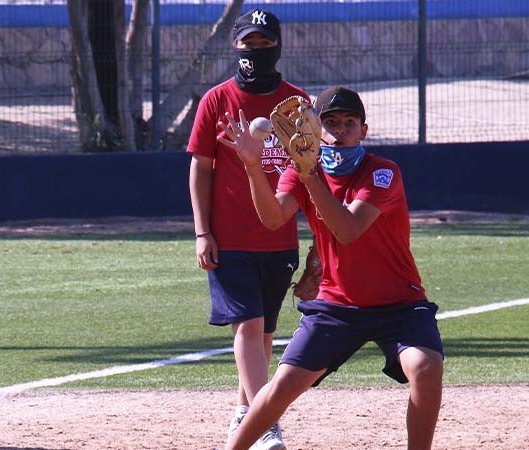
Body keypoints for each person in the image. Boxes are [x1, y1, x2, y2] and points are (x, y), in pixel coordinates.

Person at [217, 86, 445, 450]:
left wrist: (311, 175)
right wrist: (252, 167)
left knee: (426, 367)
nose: (340, 130)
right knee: (282, 385)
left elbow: (348, 229)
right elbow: (273, 218)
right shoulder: (302, 171)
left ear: (363, 130)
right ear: (315, 129)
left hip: (399, 305)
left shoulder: (382, 173)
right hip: (337, 306)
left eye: (349, 122)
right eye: (331, 122)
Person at [187, 8, 310, 450]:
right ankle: (265, 422)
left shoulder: (297, 104)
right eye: (248, 43)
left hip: (280, 237)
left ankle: (244, 416)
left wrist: (319, 243)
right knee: (249, 326)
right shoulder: (217, 100)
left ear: (277, 46)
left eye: (263, 43)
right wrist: (203, 232)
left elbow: (309, 173)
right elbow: (200, 169)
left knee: (265, 335)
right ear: (235, 45)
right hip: (231, 239)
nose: (255, 50)